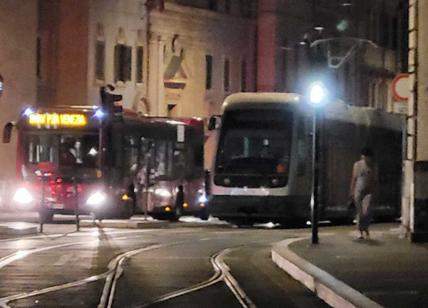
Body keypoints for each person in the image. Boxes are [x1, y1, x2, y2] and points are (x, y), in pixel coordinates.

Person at [350, 147, 377, 239]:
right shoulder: (357, 165)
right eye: (365, 157)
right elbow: (354, 178)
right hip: (358, 191)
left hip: (369, 192)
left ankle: (365, 228)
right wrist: (351, 190)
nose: (367, 159)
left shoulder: (374, 166)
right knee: (360, 212)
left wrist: (375, 190)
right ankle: (360, 231)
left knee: (367, 212)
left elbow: (375, 180)